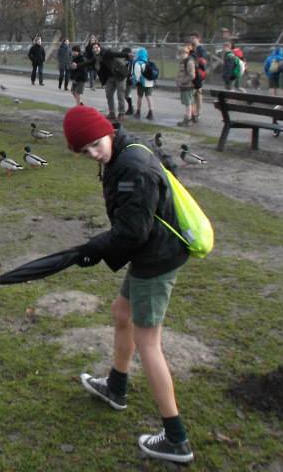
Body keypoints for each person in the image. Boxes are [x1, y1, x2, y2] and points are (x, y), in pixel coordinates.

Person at [63, 105, 193, 465]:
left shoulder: (133, 167)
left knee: (148, 342)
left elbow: (133, 232)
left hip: (157, 257)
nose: (93, 153)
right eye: (85, 151)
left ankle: (176, 437)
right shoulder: (120, 151)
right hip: (150, 251)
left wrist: (94, 249)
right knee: (122, 312)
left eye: (94, 144)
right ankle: (116, 388)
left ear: (106, 130)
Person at [175, 46, 197, 126]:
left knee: (188, 103)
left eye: (182, 54)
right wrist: (177, 81)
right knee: (188, 103)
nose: (181, 55)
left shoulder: (189, 62)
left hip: (188, 86)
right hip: (184, 86)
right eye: (180, 54)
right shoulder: (183, 61)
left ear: (186, 53)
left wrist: (182, 82)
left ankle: (188, 119)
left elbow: (192, 75)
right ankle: (191, 117)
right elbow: (180, 73)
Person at [132, 47, 155, 120]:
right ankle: (151, 112)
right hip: (150, 83)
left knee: (140, 97)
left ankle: (138, 112)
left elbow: (137, 75)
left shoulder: (138, 63)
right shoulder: (148, 62)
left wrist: (135, 82)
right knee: (149, 97)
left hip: (141, 83)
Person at [188, 34, 207, 121]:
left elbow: (202, 61)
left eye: (193, 38)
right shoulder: (191, 48)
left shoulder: (201, 49)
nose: (192, 40)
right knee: (192, 94)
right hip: (192, 73)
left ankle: (198, 112)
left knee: (198, 94)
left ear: (198, 38)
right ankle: (193, 112)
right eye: (191, 38)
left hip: (199, 74)